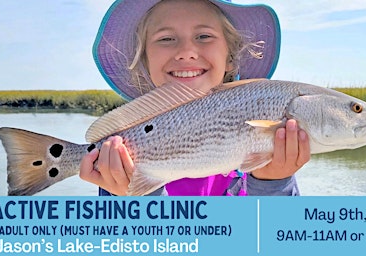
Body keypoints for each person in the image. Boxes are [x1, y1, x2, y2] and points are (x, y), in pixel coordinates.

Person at [80, 0, 310, 196]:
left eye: (203, 36)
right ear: (145, 61)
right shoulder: (121, 155)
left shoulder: (265, 146)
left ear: (231, 56)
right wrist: (138, 197)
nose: (187, 51)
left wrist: (272, 182)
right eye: (166, 39)